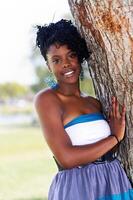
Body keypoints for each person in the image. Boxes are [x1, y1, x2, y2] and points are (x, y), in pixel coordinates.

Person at [35, 19, 133, 200]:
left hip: (113, 181)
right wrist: (115, 137)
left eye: (71, 55)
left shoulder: (94, 102)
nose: (66, 64)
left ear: (79, 58)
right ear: (48, 66)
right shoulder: (47, 99)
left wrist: (115, 139)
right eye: (56, 60)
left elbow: (108, 149)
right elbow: (67, 158)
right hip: (79, 188)